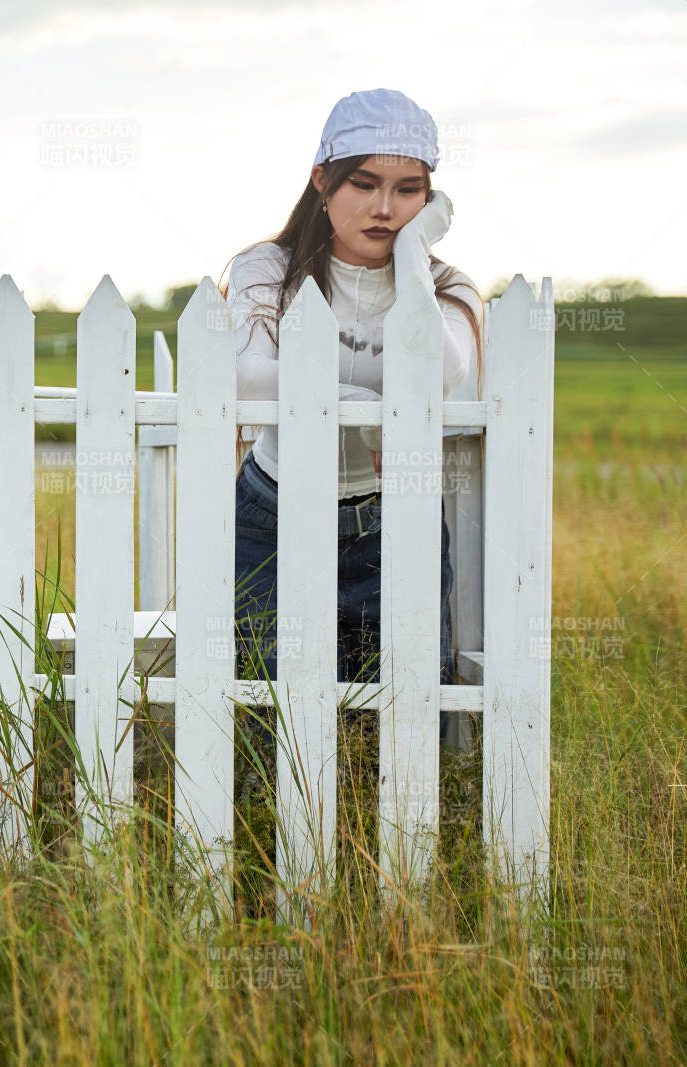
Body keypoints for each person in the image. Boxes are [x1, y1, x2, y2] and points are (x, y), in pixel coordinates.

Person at [220, 89, 486, 848]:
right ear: (321, 182)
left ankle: (387, 863)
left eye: (410, 191)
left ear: (430, 201)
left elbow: (433, 373)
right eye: (365, 184)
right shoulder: (266, 269)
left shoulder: (447, 288)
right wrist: (351, 396)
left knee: (399, 712)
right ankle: (265, 859)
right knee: (269, 713)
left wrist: (411, 257)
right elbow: (245, 375)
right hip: (271, 519)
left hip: (390, 524)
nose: (384, 208)